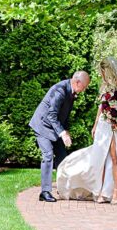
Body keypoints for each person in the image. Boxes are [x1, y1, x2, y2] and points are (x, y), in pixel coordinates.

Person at [55, 57, 117, 204]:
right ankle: (99, 190)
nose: (102, 75)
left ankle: (114, 191)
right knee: (100, 157)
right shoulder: (105, 86)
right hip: (103, 124)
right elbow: (101, 106)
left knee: (114, 157)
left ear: (109, 70)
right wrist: (95, 125)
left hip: (115, 125)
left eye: (103, 72)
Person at [29, 70, 91, 202]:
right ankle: (44, 192)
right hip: (42, 125)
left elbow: (64, 115)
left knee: (63, 158)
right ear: (77, 82)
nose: (84, 90)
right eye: (84, 86)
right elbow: (51, 114)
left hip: (55, 128)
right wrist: (62, 133)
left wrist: (65, 130)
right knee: (48, 155)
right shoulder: (60, 90)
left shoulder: (71, 91)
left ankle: (63, 188)